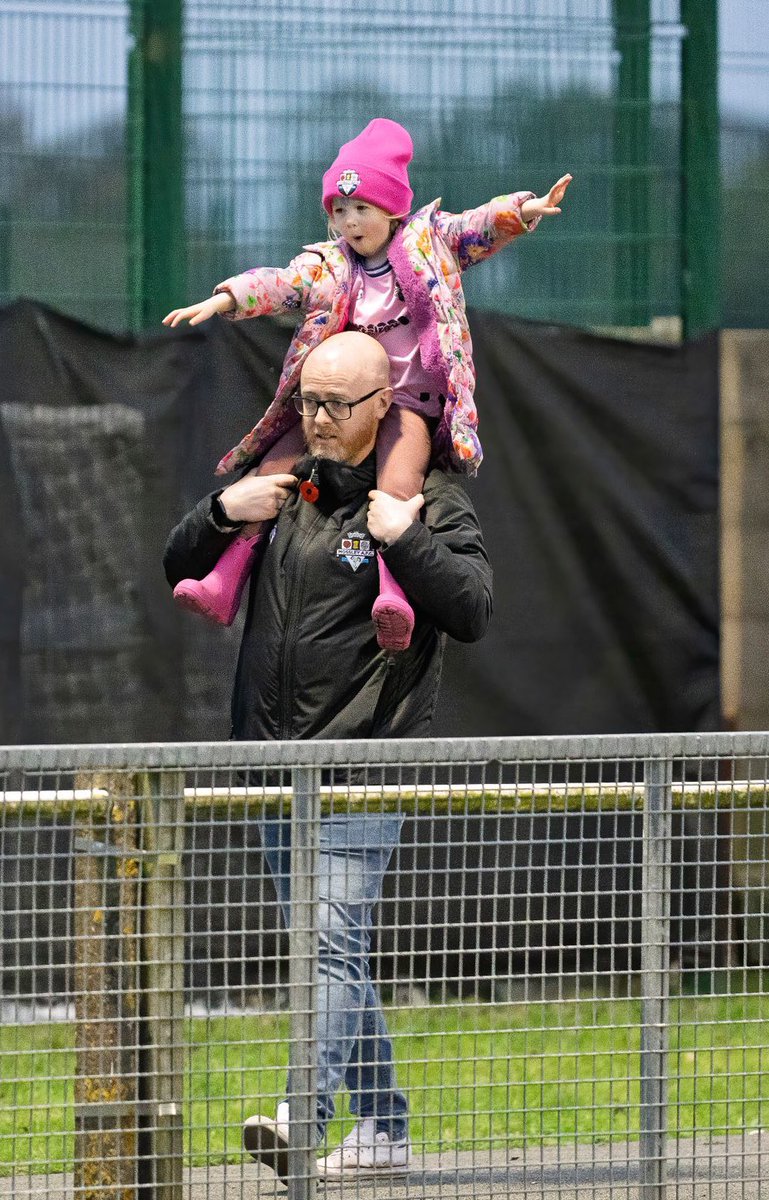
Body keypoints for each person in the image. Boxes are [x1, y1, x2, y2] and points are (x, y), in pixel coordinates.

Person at [163, 330, 493, 1182]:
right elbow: (177, 560)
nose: (316, 418)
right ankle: (383, 1125)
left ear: (384, 404)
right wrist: (220, 512)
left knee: (332, 944)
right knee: (328, 952)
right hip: (271, 769)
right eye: (307, 399)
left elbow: (472, 607)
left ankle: (296, 1117)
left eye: (336, 404)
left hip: (361, 768)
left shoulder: (426, 498)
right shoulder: (289, 488)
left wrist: (405, 539)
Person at [163, 117, 569, 651]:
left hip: (405, 404)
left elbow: (476, 226)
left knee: (398, 486)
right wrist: (226, 298)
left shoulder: (428, 243)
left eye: (362, 209)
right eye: (339, 210)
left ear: (393, 209)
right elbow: (281, 283)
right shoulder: (330, 265)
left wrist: (521, 211)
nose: (349, 222)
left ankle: (393, 593)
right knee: (271, 469)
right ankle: (228, 576)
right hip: (347, 398)